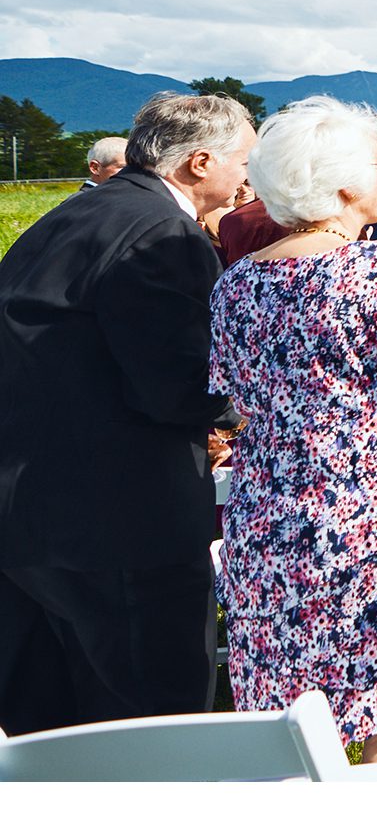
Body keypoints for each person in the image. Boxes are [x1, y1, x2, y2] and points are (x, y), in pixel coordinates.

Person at [206, 97, 377, 775]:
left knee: (290, 733)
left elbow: (237, 401)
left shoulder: (235, 285)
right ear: (345, 185)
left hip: (269, 526)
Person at [0, 92, 252, 735]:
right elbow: (176, 384)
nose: (246, 179)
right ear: (201, 162)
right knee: (149, 715)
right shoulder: (165, 234)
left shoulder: (72, 214)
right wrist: (245, 408)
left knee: (44, 715)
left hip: (27, 508)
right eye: (243, 162)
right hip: (118, 518)